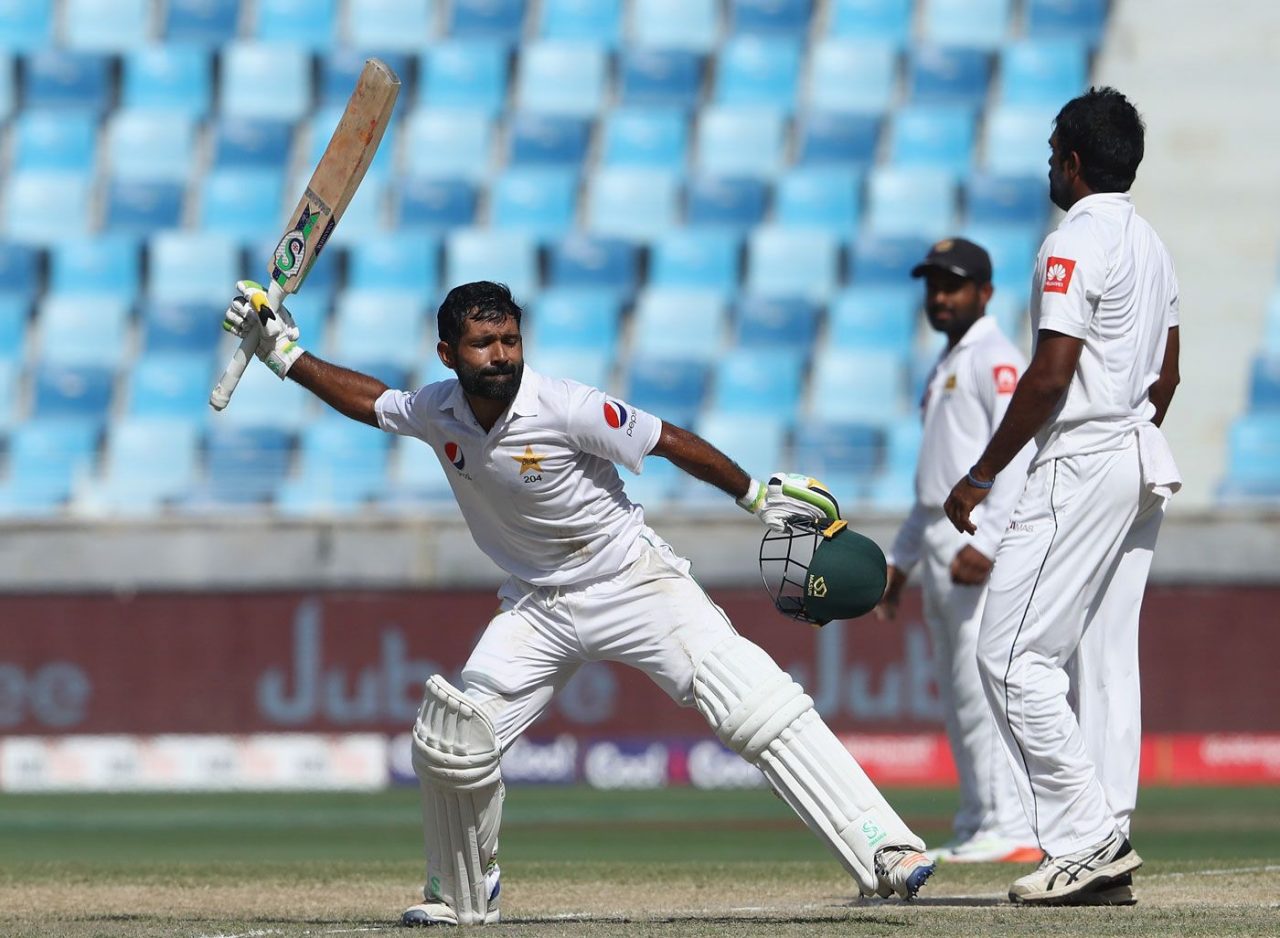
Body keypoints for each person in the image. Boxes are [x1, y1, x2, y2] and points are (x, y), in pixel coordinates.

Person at [221, 278, 937, 925]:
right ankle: (463, 897)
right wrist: (283, 352)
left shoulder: (565, 405)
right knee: (453, 742)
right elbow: (372, 402)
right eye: (482, 343)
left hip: (633, 580)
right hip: (537, 602)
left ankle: (885, 850)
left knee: (755, 704)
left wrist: (753, 495)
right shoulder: (438, 409)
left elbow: (667, 440)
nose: (500, 355)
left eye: (509, 340)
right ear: (448, 353)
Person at [943, 87, 1181, 906]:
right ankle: (1106, 830)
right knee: (1107, 657)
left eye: (1053, 154)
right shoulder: (1151, 244)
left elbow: (1050, 373)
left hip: (1082, 454)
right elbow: (1170, 373)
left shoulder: (1070, 239)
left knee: (1008, 656)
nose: (1049, 166)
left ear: (1074, 163)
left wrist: (982, 473)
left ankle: (1083, 839)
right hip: (1141, 450)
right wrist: (1128, 435)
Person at [875, 238, 1040, 864]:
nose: (940, 298)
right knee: (957, 689)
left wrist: (993, 540)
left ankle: (1011, 826)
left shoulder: (995, 358)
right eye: (933, 286)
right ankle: (978, 819)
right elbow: (932, 481)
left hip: (977, 542)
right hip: (943, 539)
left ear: (986, 294)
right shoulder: (946, 363)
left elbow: (1018, 450)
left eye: (954, 286)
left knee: (983, 684)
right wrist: (901, 559)